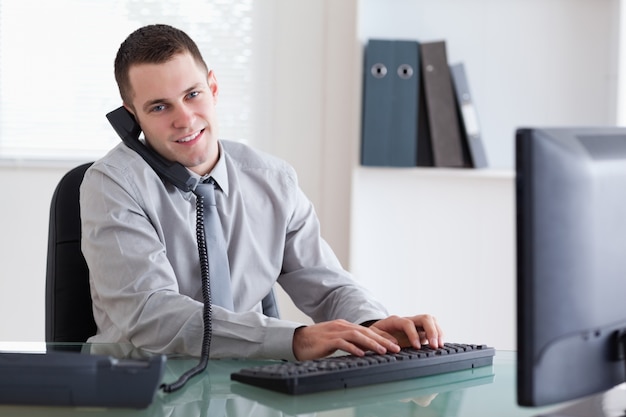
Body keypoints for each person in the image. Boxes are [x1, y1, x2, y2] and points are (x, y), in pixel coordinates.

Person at [80, 24, 443, 361]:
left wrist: (370, 325)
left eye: (193, 95)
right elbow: (153, 317)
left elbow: (327, 284)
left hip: (248, 387)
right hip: (144, 390)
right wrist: (295, 339)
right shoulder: (113, 186)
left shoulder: (272, 179)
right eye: (159, 107)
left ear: (214, 88)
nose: (185, 119)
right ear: (131, 117)